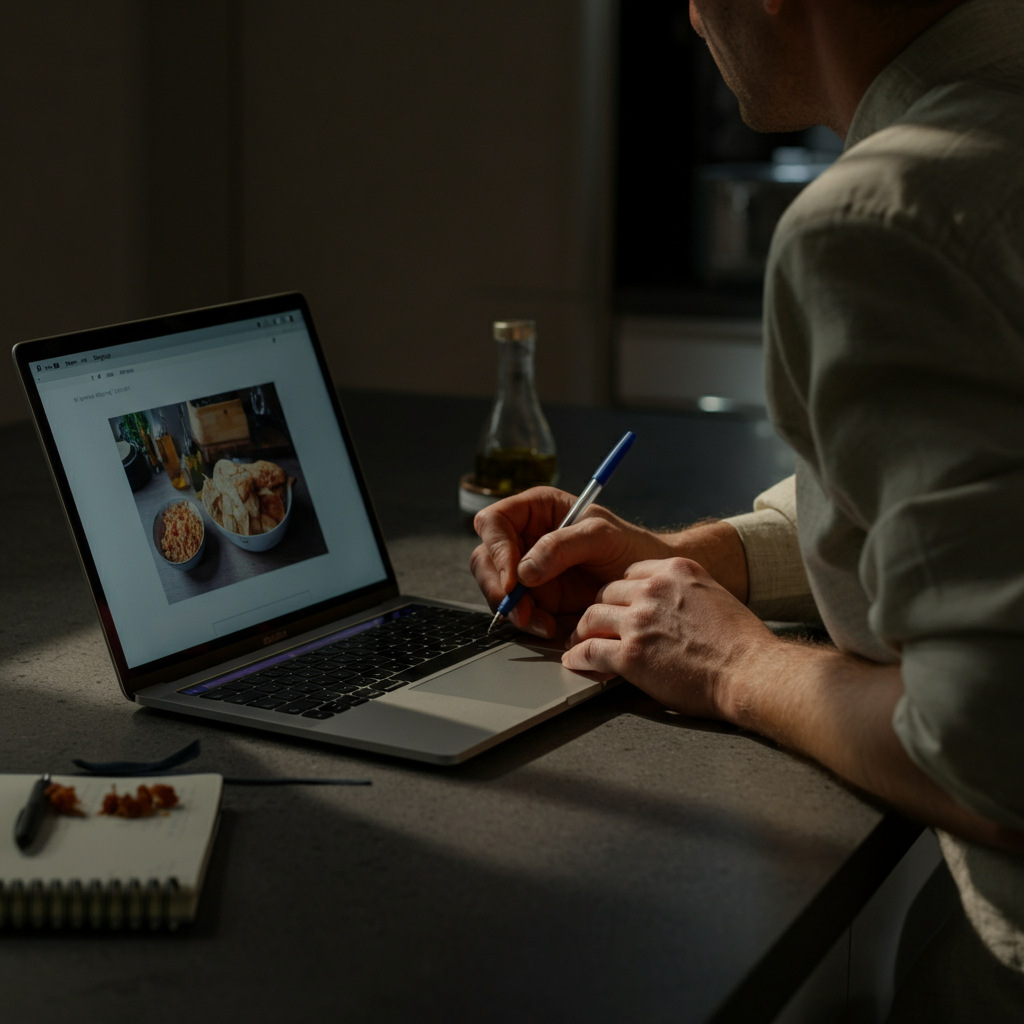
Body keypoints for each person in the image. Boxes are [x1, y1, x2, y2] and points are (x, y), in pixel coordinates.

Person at [471, 0, 1024, 1017]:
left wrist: (732, 662)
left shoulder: (889, 212)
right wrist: (708, 556)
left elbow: (991, 756)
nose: (686, 14)